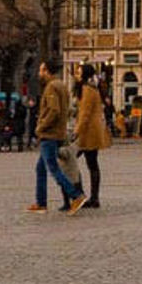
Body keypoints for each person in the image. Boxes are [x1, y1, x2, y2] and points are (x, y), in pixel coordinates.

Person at [27, 62, 85, 215]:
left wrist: (40, 127)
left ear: (47, 71)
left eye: (41, 70)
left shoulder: (52, 87)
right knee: (40, 168)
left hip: (50, 134)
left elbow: (54, 111)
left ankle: (76, 195)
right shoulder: (63, 86)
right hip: (57, 132)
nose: (39, 73)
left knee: (53, 167)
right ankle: (41, 202)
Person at [75, 65, 111, 209]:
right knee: (92, 164)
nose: (76, 74)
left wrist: (76, 132)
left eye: (78, 72)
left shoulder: (87, 90)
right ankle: (93, 197)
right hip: (90, 132)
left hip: (87, 133)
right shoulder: (90, 88)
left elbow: (85, 114)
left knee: (69, 161)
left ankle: (80, 194)